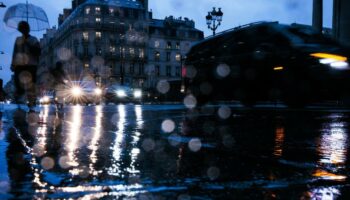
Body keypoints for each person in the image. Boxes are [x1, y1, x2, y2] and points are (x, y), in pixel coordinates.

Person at [11, 21, 41, 110]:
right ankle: (20, 99)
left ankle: (31, 103)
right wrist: (13, 64)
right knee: (19, 83)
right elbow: (15, 52)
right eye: (20, 28)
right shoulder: (18, 39)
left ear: (27, 29)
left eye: (23, 28)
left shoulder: (34, 39)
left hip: (31, 65)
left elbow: (38, 52)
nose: (22, 30)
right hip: (20, 65)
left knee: (31, 85)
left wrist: (27, 42)